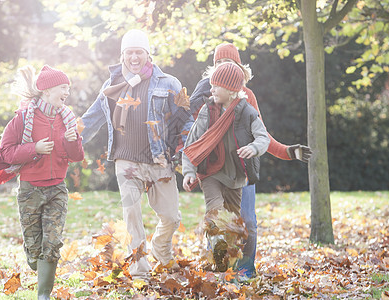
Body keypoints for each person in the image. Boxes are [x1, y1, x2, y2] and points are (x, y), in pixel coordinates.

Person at [189, 43, 312, 279]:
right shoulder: (208, 96)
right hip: (216, 171)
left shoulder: (247, 98)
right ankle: (217, 268)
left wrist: (289, 152)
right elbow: (195, 134)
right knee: (216, 220)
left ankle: (245, 269)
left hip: (242, 171)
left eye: (229, 62)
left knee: (247, 222)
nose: (223, 66)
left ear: (238, 66)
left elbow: (262, 135)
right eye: (218, 63)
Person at [80, 29, 192, 280]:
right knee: (131, 214)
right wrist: (71, 139)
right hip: (126, 160)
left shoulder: (169, 83)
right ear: (122, 55)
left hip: (159, 159)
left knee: (171, 218)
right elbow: (92, 118)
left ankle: (160, 246)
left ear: (147, 54)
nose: (134, 57)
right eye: (129, 52)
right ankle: (140, 270)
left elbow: (187, 119)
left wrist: (187, 154)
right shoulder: (112, 86)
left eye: (138, 52)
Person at [0, 65, 85, 299]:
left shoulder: (67, 118)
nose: (67, 91)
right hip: (29, 189)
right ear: (47, 90)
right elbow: (6, 152)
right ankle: (33, 255)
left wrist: (72, 139)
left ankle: (43, 294)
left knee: (53, 241)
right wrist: (33, 149)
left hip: (57, 187)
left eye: (68, 87)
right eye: (63, 87)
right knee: (35, 248)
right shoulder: (23, 118)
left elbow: (77, 157)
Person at [182, 62, 270, 272]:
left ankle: (227, 265)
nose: (211, 90)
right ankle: (217, 249)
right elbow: (192, 143)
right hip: (211, 172)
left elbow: (263, 137)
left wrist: (253, 148)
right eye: (211, 85)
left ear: (231, 90)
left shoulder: (247, 112)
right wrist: (188, 171)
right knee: (215, 211)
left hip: (236, 176)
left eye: (216, 86)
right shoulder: (208, 110)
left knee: (233, 221)